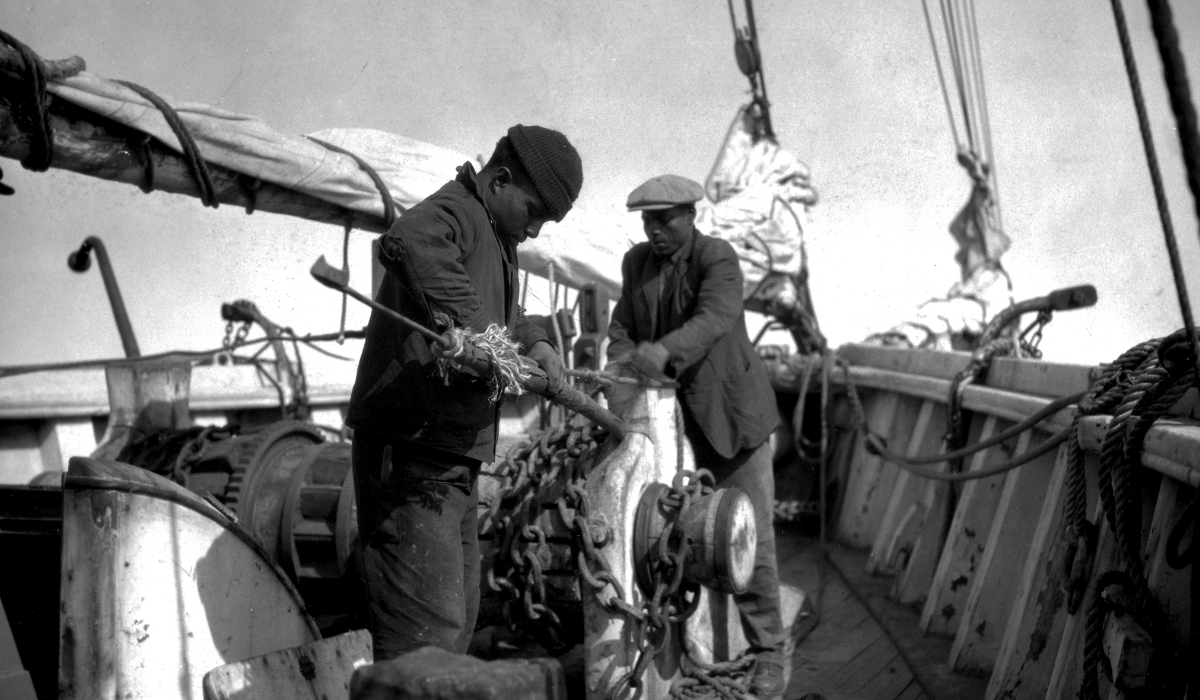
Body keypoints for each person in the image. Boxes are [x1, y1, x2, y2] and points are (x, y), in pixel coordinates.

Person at [345, 125, 583, 660]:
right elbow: (411, 239)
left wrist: (537, 341)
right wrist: (492, 341)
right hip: (411, 455)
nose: (537, 231)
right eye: (536, 213)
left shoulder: (496, 235)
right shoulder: (455, 211)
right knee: (423, 639)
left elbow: (504, 316)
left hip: (451, 458)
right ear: (500, 179)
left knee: (457, 623)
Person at [606, 174, 787, 699]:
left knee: (747, 540)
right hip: (670, 427)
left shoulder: (718, 258)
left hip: (732, 423)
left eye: (664, 220)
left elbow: (715, 318)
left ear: (691, 216)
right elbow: (622, 326)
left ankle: (769, 653)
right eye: (647, 222)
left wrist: (661, 351)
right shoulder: (636, 264)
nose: (655, 231)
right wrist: (620, 357)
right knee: (677, 539)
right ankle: (691, 649)